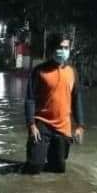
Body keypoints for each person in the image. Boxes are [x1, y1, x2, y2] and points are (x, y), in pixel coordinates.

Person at [23, 32, 85, 174]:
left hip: (63, 127)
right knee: (34, 168)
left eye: (66, 48)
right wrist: (31, 124)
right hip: (41, 124)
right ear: (51, 49)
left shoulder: (72, 72)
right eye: (59, 47)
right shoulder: (39, 71)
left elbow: (77, 99)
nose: (63, 51)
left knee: (58, 170)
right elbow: (30, 99)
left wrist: (80, 125)